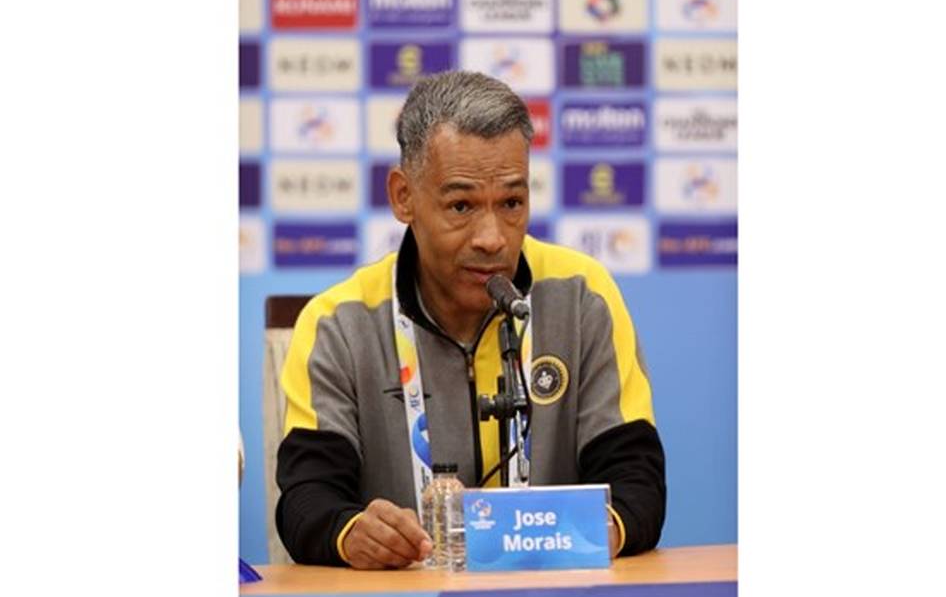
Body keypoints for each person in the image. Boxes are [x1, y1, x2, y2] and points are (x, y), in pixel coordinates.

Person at [276, 70, 666, 569]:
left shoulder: (582, 296)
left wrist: (587, 533)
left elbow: (638, 487)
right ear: (403, 196)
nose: (492, 238)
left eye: (512, 203)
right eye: (461, 205)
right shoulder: (338, 325)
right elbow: (306, 502)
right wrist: (351, 533)